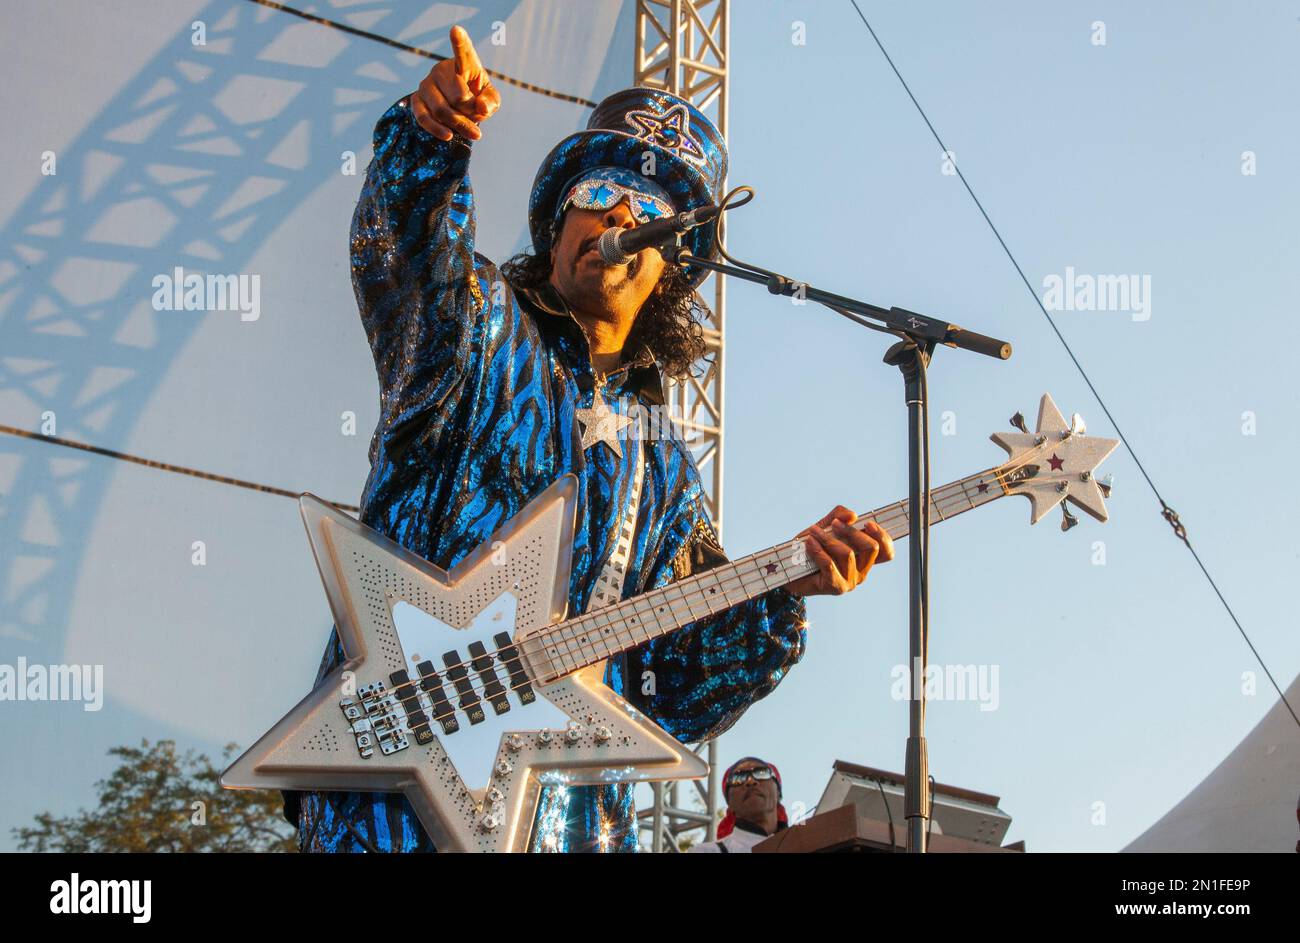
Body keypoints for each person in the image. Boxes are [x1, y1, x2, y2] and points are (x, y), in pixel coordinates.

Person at [288, 25, 893, 853]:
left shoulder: (668, 465)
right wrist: (428, 145)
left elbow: (670, 685)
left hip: (564, 821)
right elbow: (405, 261)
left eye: (646, 207)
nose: (614, 210)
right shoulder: (478, 333)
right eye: (596, 189)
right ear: (556, 219)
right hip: (396, 790)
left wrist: (787, 594)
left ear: (672, 258)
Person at [689, 757, 789, 853]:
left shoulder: (802, 839)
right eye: (738, 778)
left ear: (778, 792)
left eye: (762, 772)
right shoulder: (708, 851)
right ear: (730, 804)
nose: (751, 781)